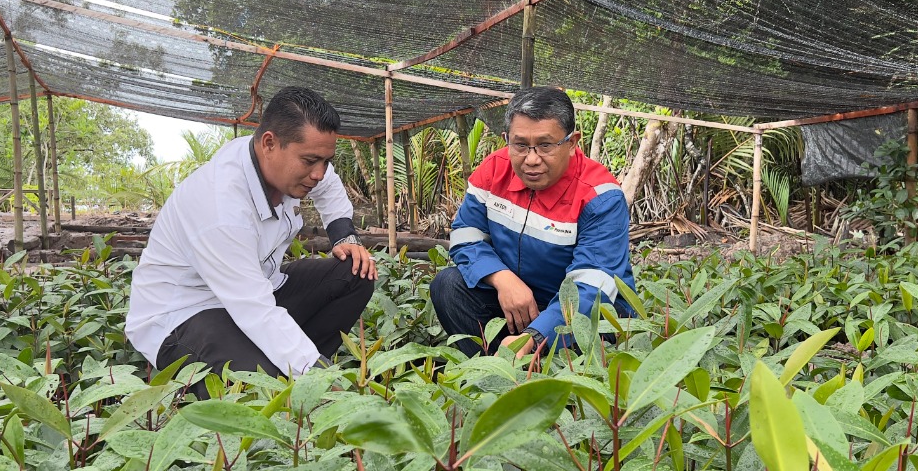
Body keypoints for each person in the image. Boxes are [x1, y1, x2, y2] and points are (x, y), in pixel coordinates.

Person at [125, 87, 376, 390]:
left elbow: (329, 185)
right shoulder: (221, 208)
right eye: (310, 161)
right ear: (270, 143)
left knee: (355, 271)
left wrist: (344, 236)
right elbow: (254, 309)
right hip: (187, 314)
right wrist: (319, 377)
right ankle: (301, 372)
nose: (319, 174)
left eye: (325, 161)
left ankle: (299, 359)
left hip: (259, 289)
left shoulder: (277, 161)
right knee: (263, 386)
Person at [431, 86, 635, 357]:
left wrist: (536, 334)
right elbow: (465, 235)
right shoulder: (493, 170)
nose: (531, 159)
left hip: (582, 307)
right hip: (516, 299)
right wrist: (502, 279)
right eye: (520, 145)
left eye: (545, 145)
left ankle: (541, 374)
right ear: (507, 139)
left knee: (598, 321)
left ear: (573, 142)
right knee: (448, 285)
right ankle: (491, 372)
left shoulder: (601, 197)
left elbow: (590, 288)